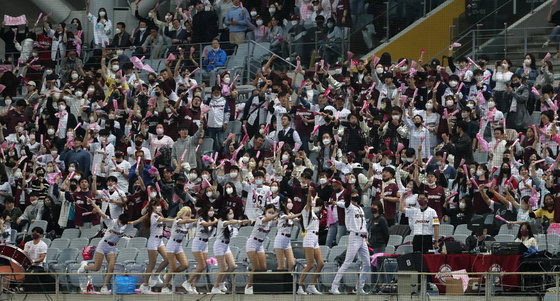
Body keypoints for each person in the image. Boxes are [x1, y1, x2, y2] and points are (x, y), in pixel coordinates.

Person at [78, 198, 145, 294]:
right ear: (119, 219)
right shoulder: (112, 221)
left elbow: (138, 220)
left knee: (112, 267)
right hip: (103, 245)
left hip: (111, 248)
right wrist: (92, 202)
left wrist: (148, 214)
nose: (120, 224)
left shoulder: (127, 226)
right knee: (97, 267)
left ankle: (104, 287)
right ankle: (84, 267)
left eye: (122, 223)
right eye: (120, 222)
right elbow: (100, 212)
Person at [329, 189, 370, 295]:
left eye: (357, 194)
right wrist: (350, 186)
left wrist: (366, 237)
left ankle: (359, 287)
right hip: (354, 237)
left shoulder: (360, 208)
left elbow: (364, 223)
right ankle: (334, 286)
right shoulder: (349, 207)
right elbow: (344, 202)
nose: (356, 196)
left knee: (367, 264)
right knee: (347, 261)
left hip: (362, 238)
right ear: (350, 197)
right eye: (353, 195)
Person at [211, 207, 249, 294]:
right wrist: (237, 221)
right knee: (223, 268)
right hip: (219, 245)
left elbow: (234, 224)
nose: (232, 215)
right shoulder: (221, 221)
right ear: (225, 214)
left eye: (232, 213)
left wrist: (243, 222)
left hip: (226, 245)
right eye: (230, 213)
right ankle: (215, 287)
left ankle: (221, 282)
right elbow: (229, 222)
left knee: (232, 266)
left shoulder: (230, 224)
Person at [139, 199, 174, 294]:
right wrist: (175, 219)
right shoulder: (153, 215)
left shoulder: (158, 214)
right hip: (153, 240)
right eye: (156, 206)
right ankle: (145, 285)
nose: (158, 207)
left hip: (160, 240)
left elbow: (164, 222)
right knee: (152, 263)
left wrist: (162, 214)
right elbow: (164, 220)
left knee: (167, 259)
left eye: (159, 205)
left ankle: (156, 274)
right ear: (152, 207)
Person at [183, 205, 218, 294]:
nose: (212, 212)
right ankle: (187, 282)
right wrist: (215, 222)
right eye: (210, 210)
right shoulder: (201, 219)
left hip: (205, 243)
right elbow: (206, 224)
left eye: (213, 210)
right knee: (201, 265)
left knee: (202, 267)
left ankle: (193, 286)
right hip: (198, 243)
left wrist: (215, 223)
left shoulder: (212, 221)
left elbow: (211, 233)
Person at [161, 206, 196, 294]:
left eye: (189, 215)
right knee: (173, 267)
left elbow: (194, 224)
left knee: (185, 265)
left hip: (179, 245)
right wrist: (194, 219)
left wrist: (201, 221)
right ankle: (164, 288)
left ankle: (169, 274)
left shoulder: (188, 223)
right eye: (186, 215)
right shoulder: (177, 221)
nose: (187, 217)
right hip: (171, 245)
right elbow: (185, 221)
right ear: (182, 214)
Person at [244, 204, 278, 294]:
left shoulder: (271, 222)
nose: (271, 214)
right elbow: (266, 219)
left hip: (260, 244)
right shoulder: (260, 218)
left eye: (272, 213)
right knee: (256, 267)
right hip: (252, 243)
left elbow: (279, 222)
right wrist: (274, 216)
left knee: (263, 267)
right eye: (269, 212)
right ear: (265, 211)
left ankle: (258, 286)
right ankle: (249, 286)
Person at [296, 186, 324, 295]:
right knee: (310, 264)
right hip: (308, 238)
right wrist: (309, 191)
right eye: (312, 200)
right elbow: (309, 202)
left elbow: (313, 201)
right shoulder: (306, 210)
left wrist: (315, 196)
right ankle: (299, 286)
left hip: (315, 238)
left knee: (321, 263)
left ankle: (311, 286)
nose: (313, 201)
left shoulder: (313, 212)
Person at [274, 199, 301, 271]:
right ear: (283, 204)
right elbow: (288, 217)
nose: (290, 204)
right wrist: (300, 213)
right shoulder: (281, 214)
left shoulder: (292, 214)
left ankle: (289, 280)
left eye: (291, 202)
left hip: (287, 240)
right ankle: (279, 281)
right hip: (280, 239)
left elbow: (298, 221)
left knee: (292, 263)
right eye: (288, 202)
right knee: (281, 265)